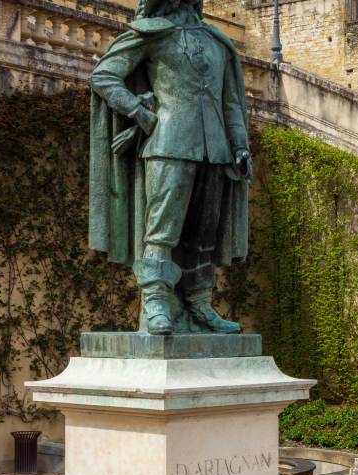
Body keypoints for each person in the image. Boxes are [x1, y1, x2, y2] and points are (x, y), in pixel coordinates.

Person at [89, 0, 253, 335]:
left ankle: (200, 303)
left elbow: (231, 102)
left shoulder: (217, 42)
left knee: (205, 234)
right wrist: (138, 111)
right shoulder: (152, 34)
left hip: (217, 149)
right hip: (168, 142)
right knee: (162, 230)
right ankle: (156, 301)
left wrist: (239, 145)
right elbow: (104, 76)